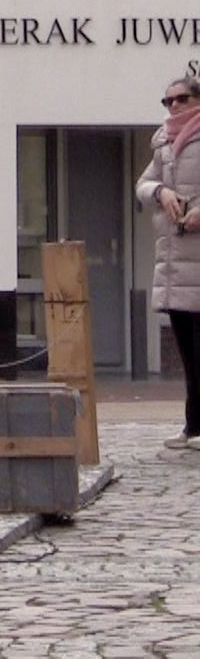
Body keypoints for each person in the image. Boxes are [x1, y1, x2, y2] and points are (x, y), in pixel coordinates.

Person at [139, 73, 200, 451]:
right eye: (168, 101)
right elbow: (143, 184)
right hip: (176, 263)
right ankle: (193, 427)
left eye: (181, 99)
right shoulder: (162, 141)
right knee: (187, 352)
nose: (173, 106)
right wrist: (161, 192)